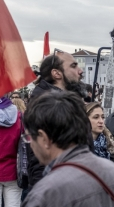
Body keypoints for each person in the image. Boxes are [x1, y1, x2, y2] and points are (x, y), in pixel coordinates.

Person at [27, 51, 85, 191]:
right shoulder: (45, 105)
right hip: (59, 188)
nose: (80, 71)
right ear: (56, 74)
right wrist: (44, 193)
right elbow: (38, 156)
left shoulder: (68, 101)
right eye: (73, 66)